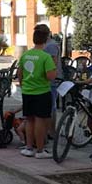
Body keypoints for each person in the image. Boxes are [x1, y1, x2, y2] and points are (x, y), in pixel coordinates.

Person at [17, 28, 57, 159]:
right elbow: (51, 76)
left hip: (27, 92)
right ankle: (40, 150)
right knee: (40, 120)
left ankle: (29, 148)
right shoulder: (45, 57)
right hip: (42, 92)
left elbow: (20, 74)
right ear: (45, 39)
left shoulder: (25, 55)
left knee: (29, 120)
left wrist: (25, 86)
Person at [35, 24, 60, 136]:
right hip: (46, 79)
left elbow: (53, 64)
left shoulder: (51, 46)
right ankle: (48, 130)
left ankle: (51, 131)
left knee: (51, 106)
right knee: (49, 106)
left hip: (50, 79)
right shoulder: (47, 45)